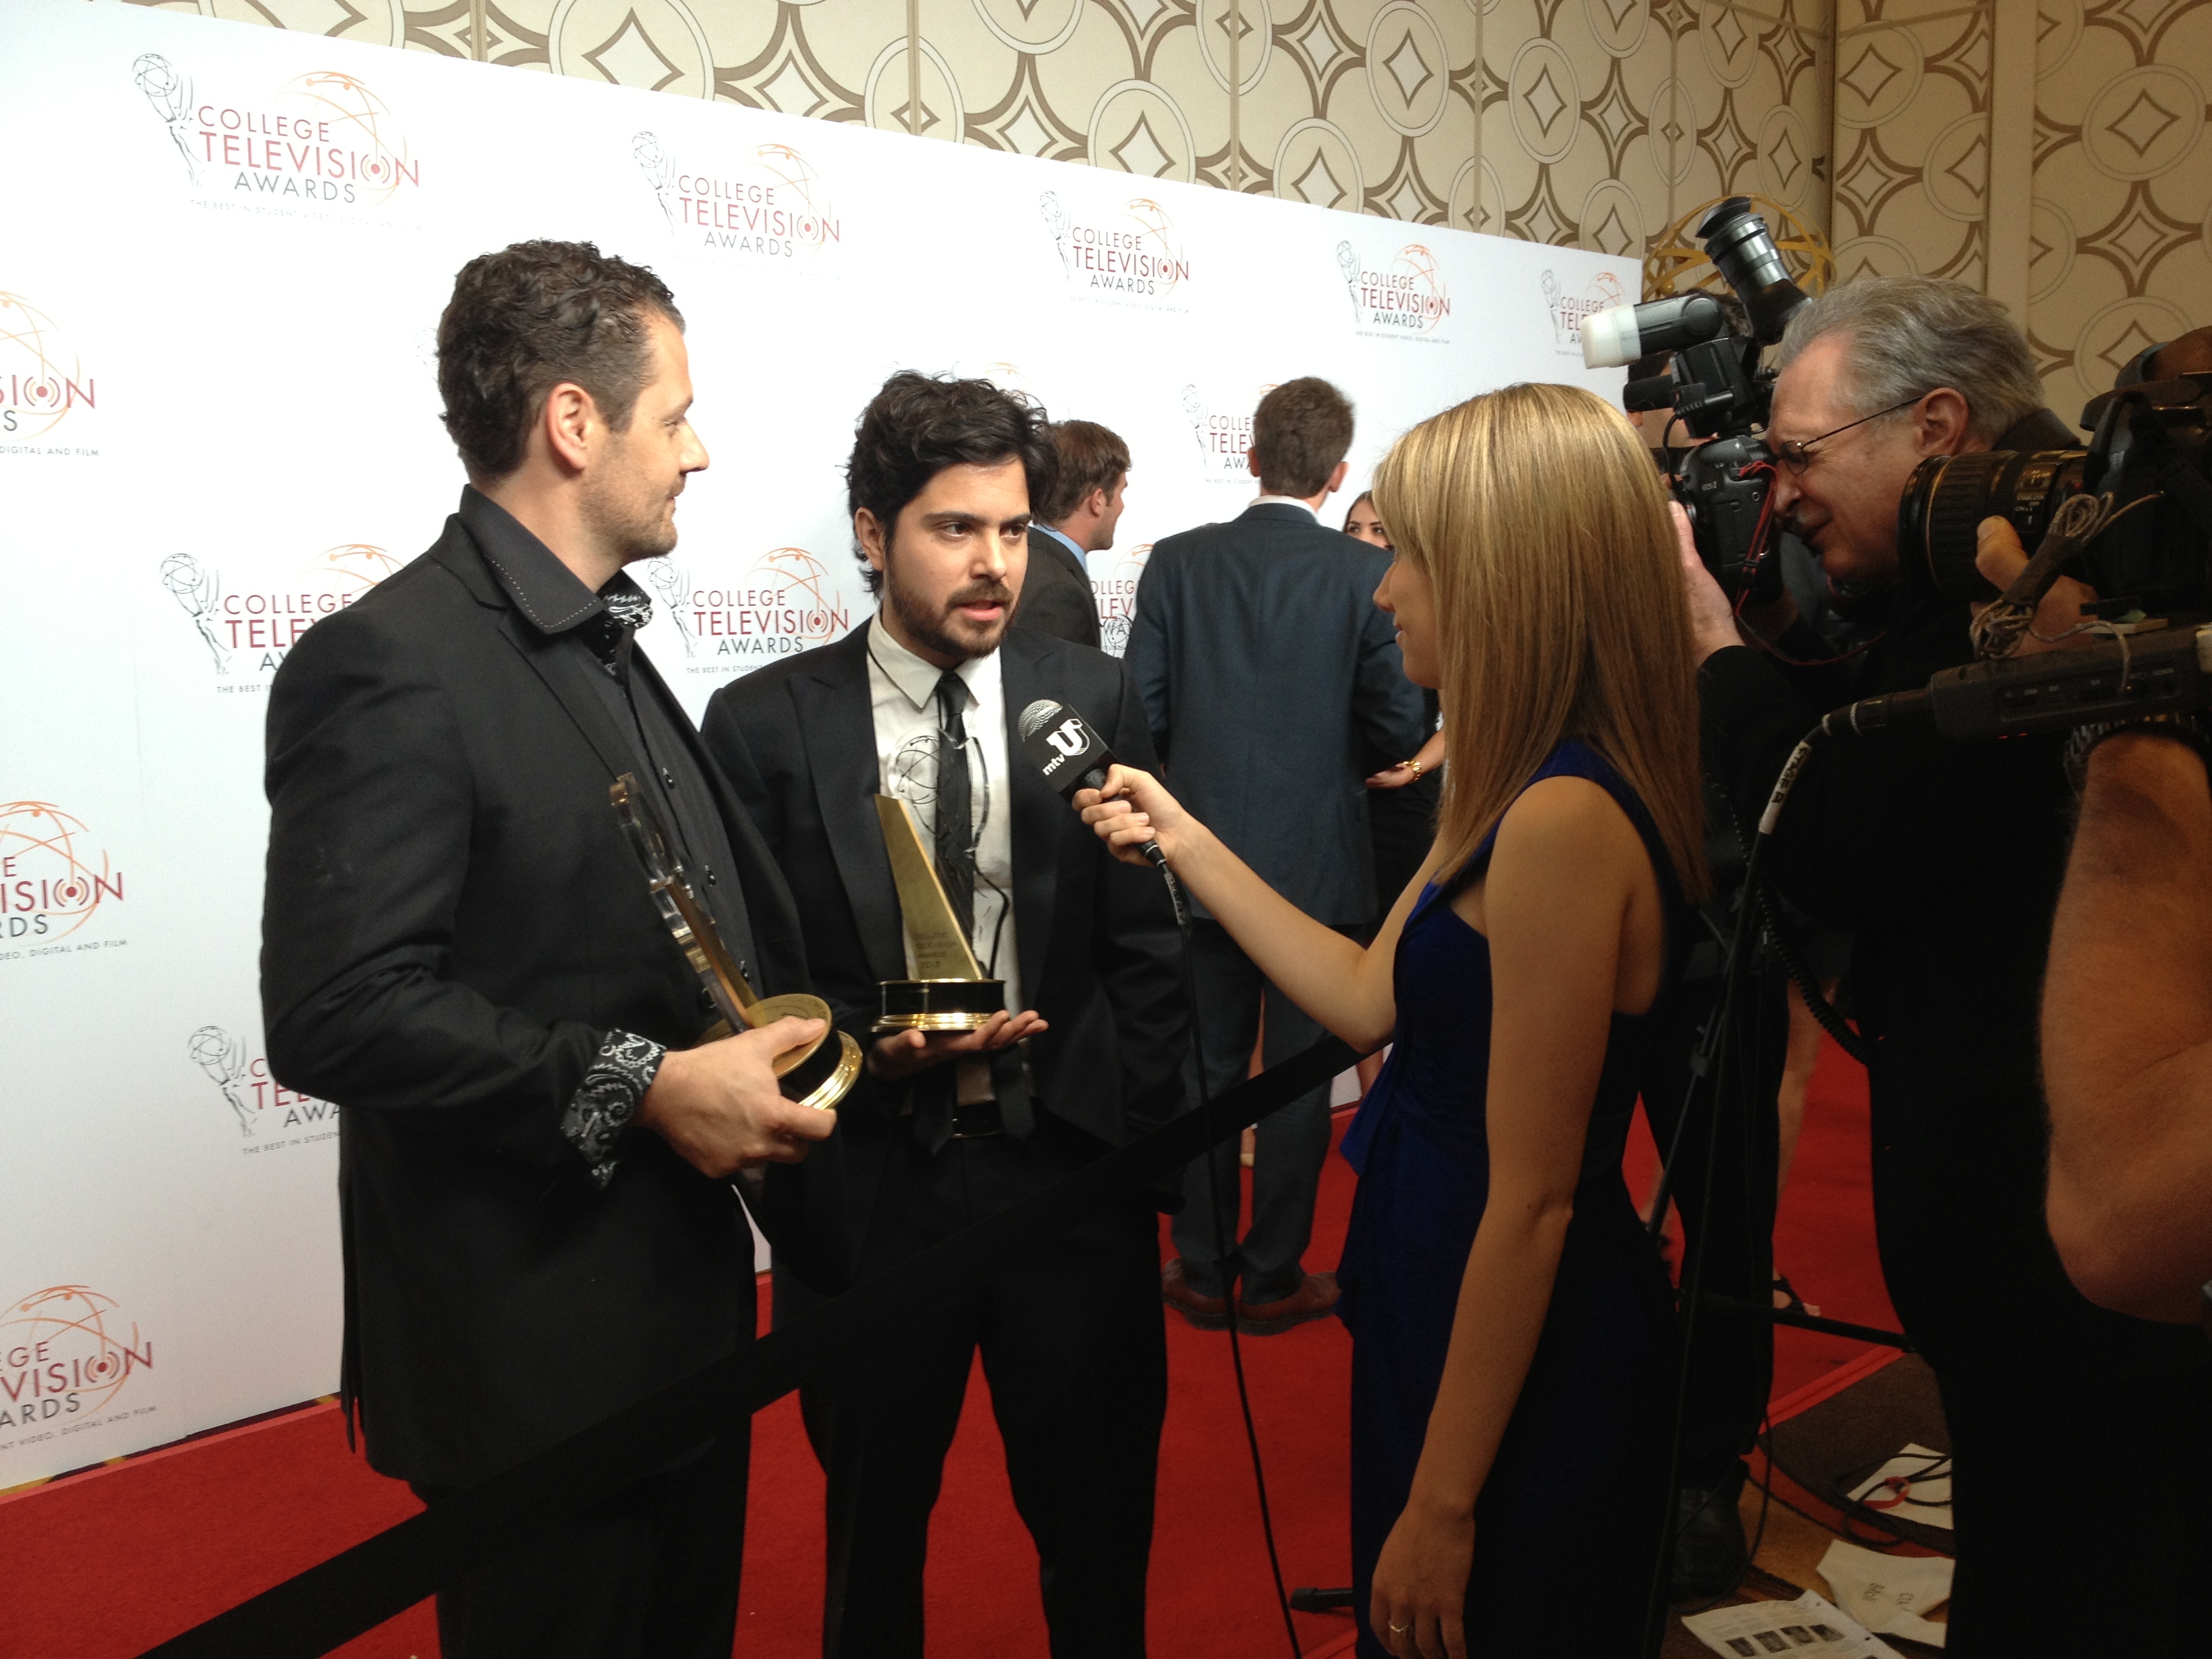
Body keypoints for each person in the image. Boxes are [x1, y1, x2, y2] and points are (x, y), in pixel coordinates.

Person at [260, 241, 835, 1658]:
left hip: (679, 1327)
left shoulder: (594, 642)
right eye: (675, 415)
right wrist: (645, 1084)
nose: (698, 451)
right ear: (574, 424)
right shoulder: (391, 659)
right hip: (534, 1367)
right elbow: (339, 1010)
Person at [1088, 382, 1704, 1656]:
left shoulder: (1558, 818)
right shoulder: (1510, 782)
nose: (1382, 591)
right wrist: (1184, 835)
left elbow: (1530, 1201)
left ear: (1500, 575)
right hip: (1431, 1274)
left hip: (1509, 1321)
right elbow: (1364, 994)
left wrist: (1440, 1501)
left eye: (1407, 556)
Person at [1681, 274, 2212, 1652]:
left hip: (2089, 1300)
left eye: (1800, 454)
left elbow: (1847, 838)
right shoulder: (1956, 600)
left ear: (1933, 428)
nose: (1781, 489)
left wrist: (1711, 655)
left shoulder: (2061, 599)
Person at [699, 371, 1186, 1659]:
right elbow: (749, 988)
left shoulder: (1092, 691)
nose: (993, 564)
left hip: (1067, 1183)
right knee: (871, 1554)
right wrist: (873, 1052)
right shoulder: (758, 725)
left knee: (1096, 1542)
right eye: (953, 528)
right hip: (873, 1199)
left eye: (1014, 529)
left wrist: (1135, 1161)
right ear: (870, 531)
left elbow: (1145, 955)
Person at [1129, 378, 1429, 1334]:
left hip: (1199, 867)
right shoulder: (1361, 575)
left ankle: (1202, 1266)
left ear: (1251, 456)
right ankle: (1272, 1279)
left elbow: (1143, 715)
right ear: (1338, 473)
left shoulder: (1175, 563)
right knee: (1298, 1085)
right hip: (1318, 874)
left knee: (1208, 1070)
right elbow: (1393, 731)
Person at [1343, 489, 1443, 1097]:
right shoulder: (1339, 600)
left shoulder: (1424, 616)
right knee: (1355, 949)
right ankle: (1378, 1090)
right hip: (1348, 807)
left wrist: (1413, 767)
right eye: (1354, 528)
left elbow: (1465, 713)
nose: (1365, 540)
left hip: (1405, 808)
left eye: (1379, 530)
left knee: (1407, 951)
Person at [1010, 417, 1128, 648]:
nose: (1122, 506)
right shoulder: (1057, 594)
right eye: (1122, 492)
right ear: (1098, 501)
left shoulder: (1029, 560)